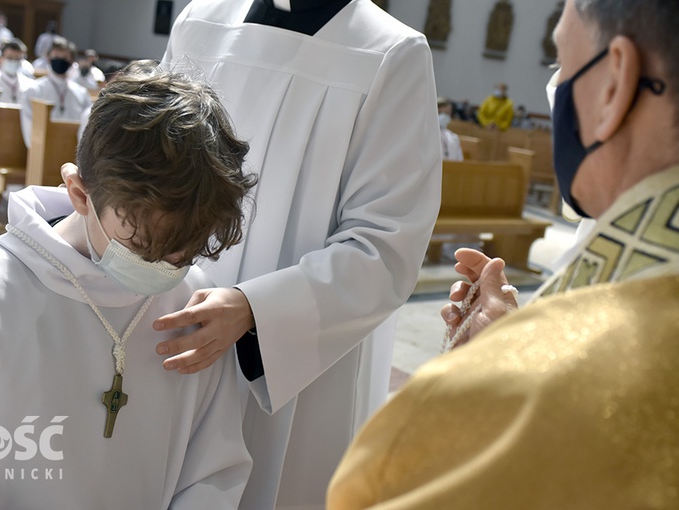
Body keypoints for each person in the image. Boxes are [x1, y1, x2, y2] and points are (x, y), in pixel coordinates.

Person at [327, 0, 679, 507]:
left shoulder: (534, 403)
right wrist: (516, 343)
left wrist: (504, 375)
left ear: (613, 85)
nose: (556, 84)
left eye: (562, 62)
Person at [0, 60, 256, 509]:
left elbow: (215, 469)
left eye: (185, 249)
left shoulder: (195, 304)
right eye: (144, 246)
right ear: (80, 193)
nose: (168, 268)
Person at [157, 1, 441, 508]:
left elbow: (386, 245)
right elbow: (151, 163)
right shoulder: (201, 18)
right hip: (171, 319)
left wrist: (253, 309)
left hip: (295, 357)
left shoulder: (390, 53)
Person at [20, 36, 92, 148]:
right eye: (56, 56)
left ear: (72, 61)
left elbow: (86, 129)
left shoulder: (81, 93)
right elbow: (29, 126)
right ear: (48, 58)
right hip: (42, 150)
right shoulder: (34, 90)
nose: (60, 60)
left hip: (72, 152)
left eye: (65, 57)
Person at [437, 96, 463, 161]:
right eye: (440, 113)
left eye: (447, 113)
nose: (444, 117)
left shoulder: (453, 137)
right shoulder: (426, 135)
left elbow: (460, 161)